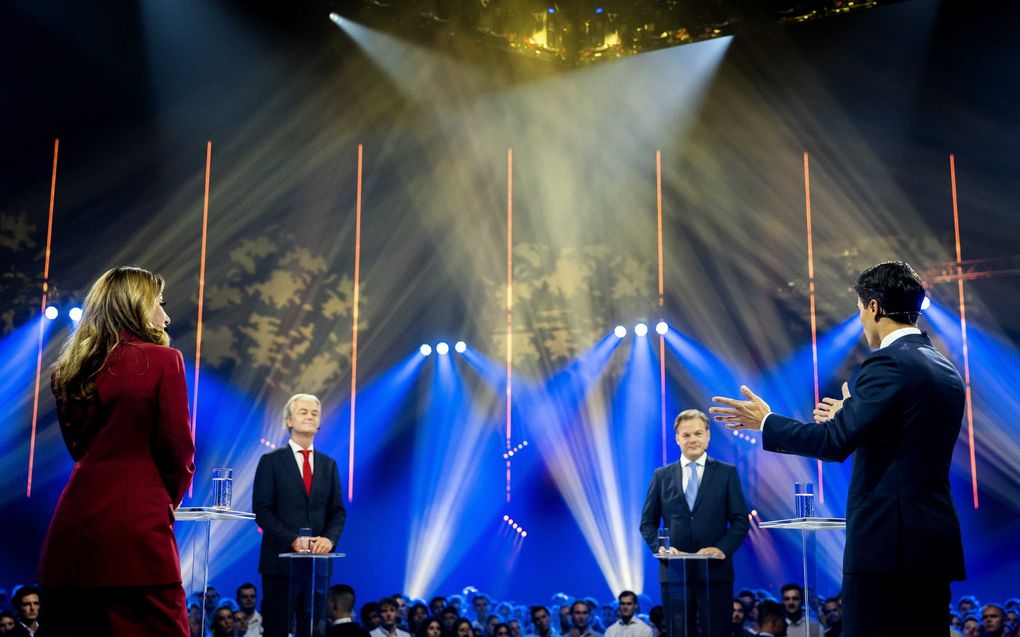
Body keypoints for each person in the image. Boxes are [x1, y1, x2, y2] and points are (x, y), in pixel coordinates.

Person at [711, 261, 967, 637]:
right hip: (931, 546)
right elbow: (904, 438)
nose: (861, 319)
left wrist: (767, 421)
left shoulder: (888, 363)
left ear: (875, 307)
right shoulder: (944, 368)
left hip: (886, 550)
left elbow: (833, 443)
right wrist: (852, 414)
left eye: (860, 308)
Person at [37, 266, 195, 637]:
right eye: (159, 303)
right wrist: (161, 503)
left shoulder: (67, 370)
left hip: (73, 528)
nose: (166, 316)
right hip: (137, 528)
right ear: (137, 306)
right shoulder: (163, 361)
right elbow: (178, 452)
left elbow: (78, 448)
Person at [639, 409, 751, 637]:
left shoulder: (726, 473)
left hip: (716, 572)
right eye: (686, 435)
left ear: (708, 436)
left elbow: (740, 521)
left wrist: (721, 548)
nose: (693, 440)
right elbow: (647, 523)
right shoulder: (662, 476)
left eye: (698, 433)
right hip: (675, 574)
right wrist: (659, 547)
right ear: (677, 439)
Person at [253, 393, 347, 637]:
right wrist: (292, 540)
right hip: (280, 564)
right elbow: (262, 510)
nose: (310, 417)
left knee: (314, 629)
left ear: (319, 424)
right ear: (289, 421)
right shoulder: (271, 461)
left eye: (314, 414)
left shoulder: (329, 465)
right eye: (303, 412)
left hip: (317, 566)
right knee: (277, 629)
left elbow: (337, 511)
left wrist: (328, 539)